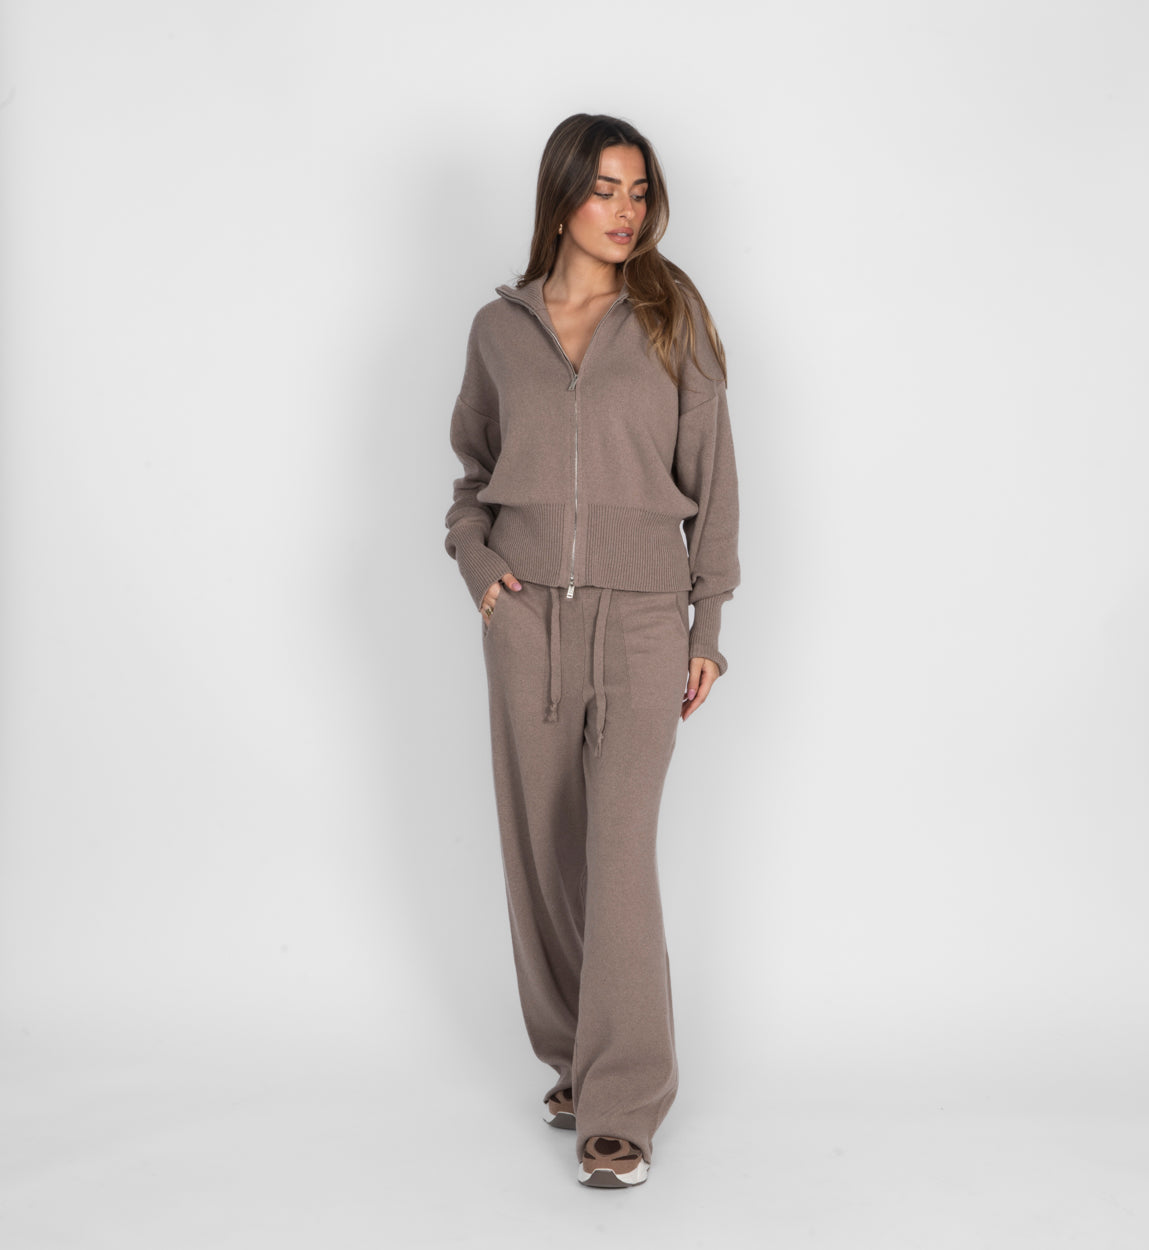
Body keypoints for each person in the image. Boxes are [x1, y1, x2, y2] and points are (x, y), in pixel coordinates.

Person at [442, 113, 741, 1188]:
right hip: (525, 615)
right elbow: (472, 478)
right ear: (561, 196)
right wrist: (479, 568)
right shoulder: (498, 329)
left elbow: (714, 477)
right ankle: (575, 1058)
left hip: (645, 618)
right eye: (605, 189)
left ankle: (622, 1103)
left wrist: (708, 623)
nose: (625, 211)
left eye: (639, 191)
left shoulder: (670, 317)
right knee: (541, 853)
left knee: (617, 855)